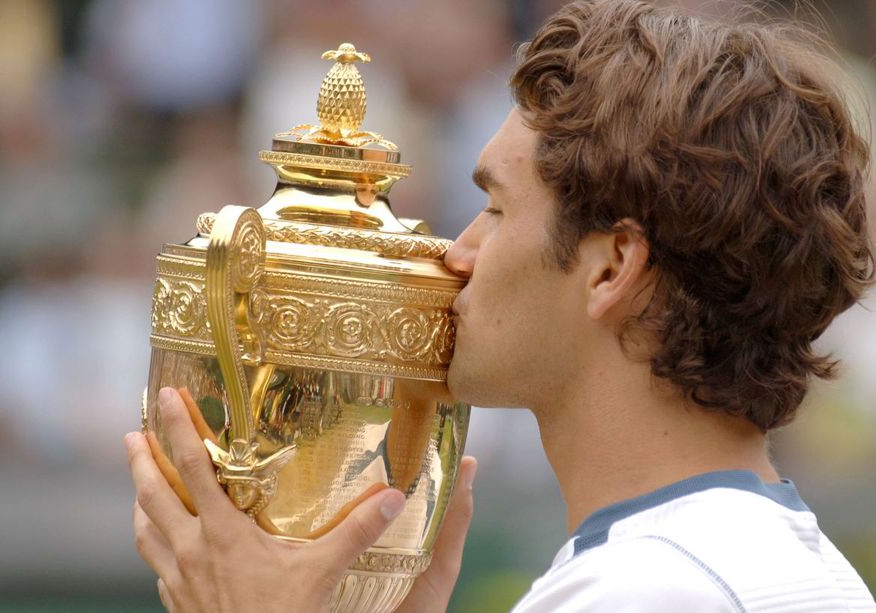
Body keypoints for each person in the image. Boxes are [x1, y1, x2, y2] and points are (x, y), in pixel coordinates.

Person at [126, 0, 876, 610]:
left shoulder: (648, 588)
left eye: (494, 208)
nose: (458, 251)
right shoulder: (777, 569)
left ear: (612, 267)